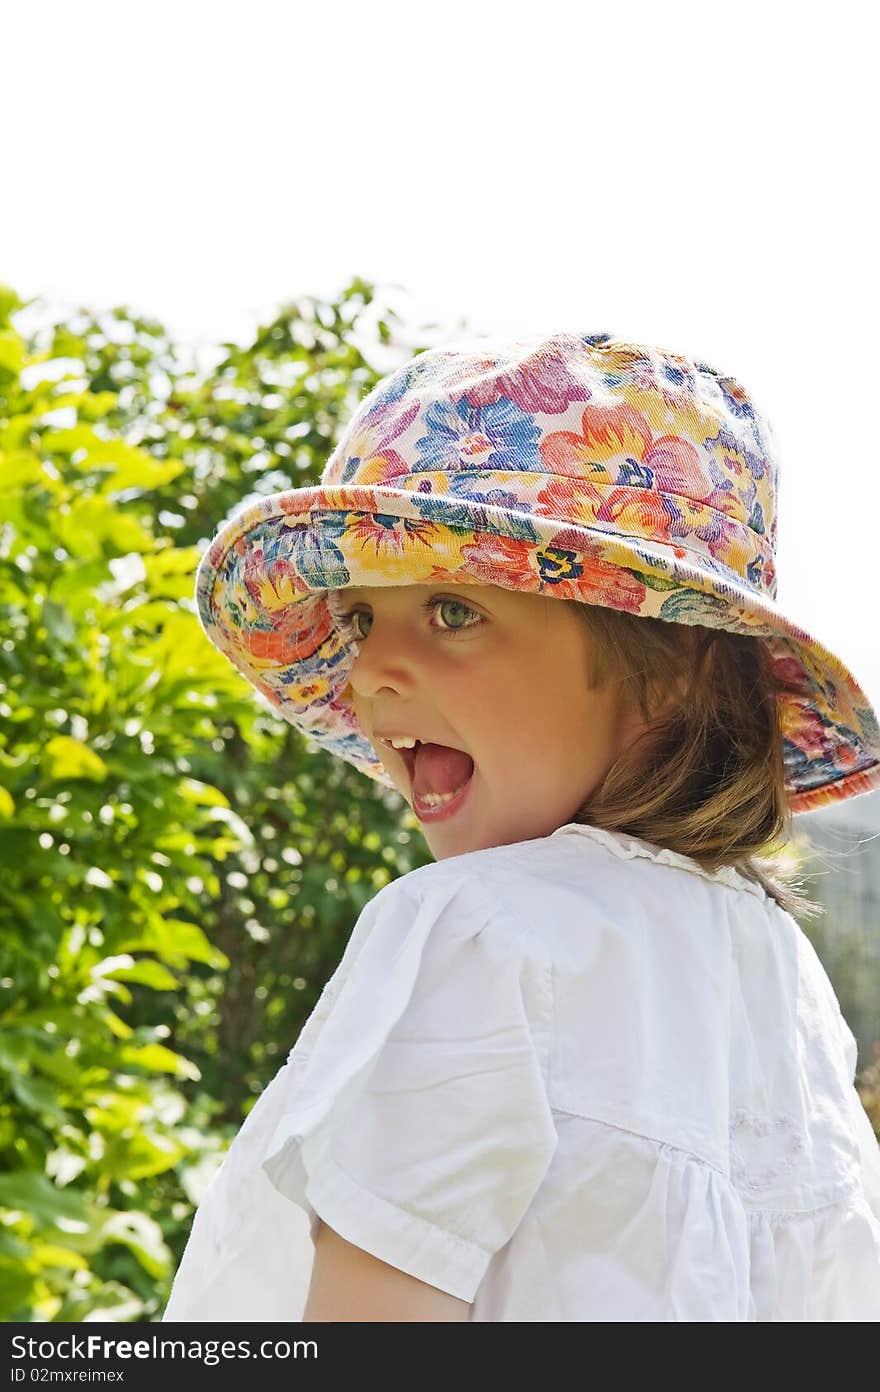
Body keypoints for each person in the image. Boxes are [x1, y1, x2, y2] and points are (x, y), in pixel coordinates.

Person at [162, 329, 880, 1322]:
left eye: (453, 612)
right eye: (363, 619)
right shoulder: (784, 986)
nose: (371, 673)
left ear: (666, 670)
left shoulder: (478, 929)